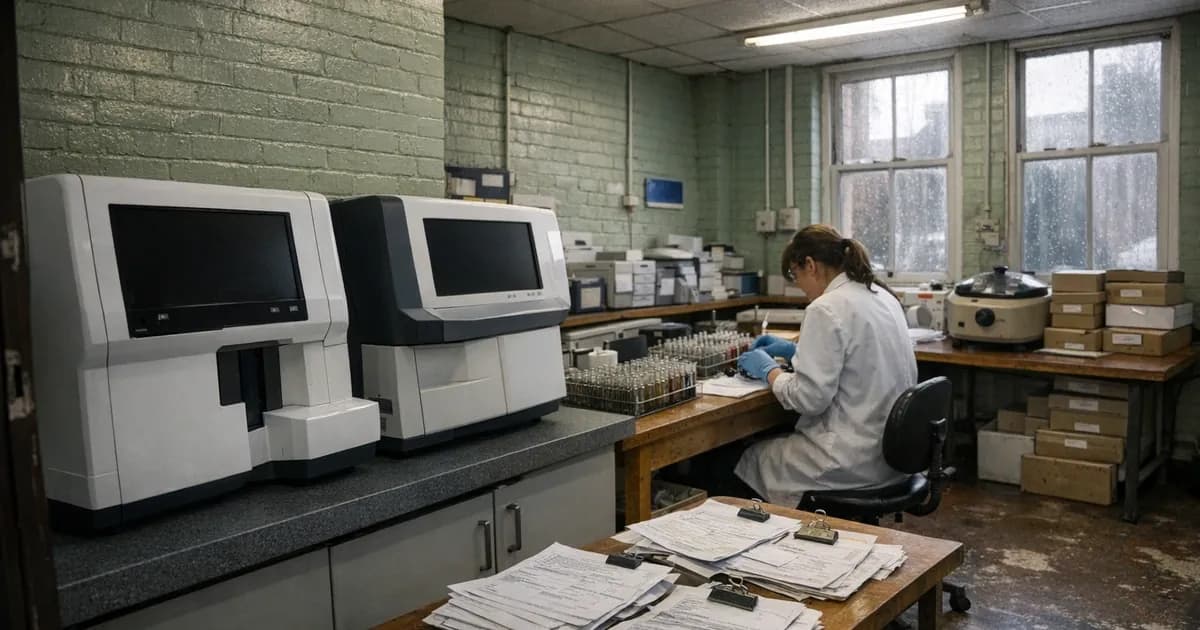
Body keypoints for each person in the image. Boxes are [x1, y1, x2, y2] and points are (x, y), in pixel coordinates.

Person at [733, 224, 917, 507]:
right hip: (893, 456)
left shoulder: (826, 307)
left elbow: (808, 399)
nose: (801, 288)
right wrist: (796, 350)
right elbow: (860, 357)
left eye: (796, 276)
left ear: (810, 265)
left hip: (849, 459)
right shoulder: (882, 296)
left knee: (743, 458)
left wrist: (769, 370)